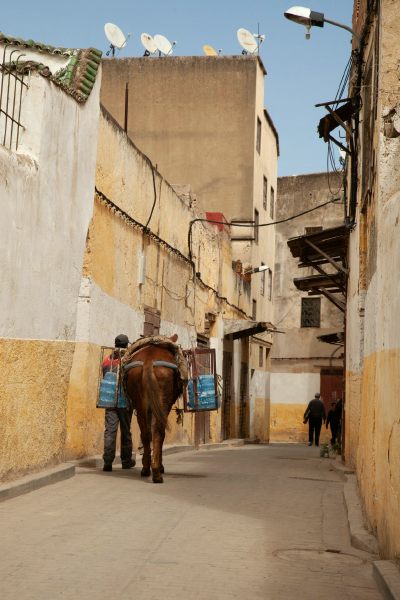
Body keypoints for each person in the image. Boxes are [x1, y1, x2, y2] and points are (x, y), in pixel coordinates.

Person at [102, 334, 135, 472]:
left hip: (109, 400)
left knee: (110, 431)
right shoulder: (128, 360)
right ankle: (126, 461)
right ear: (126, 345)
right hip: (124, 401)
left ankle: (108, 462)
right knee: (126, 431)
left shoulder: (106, 360)